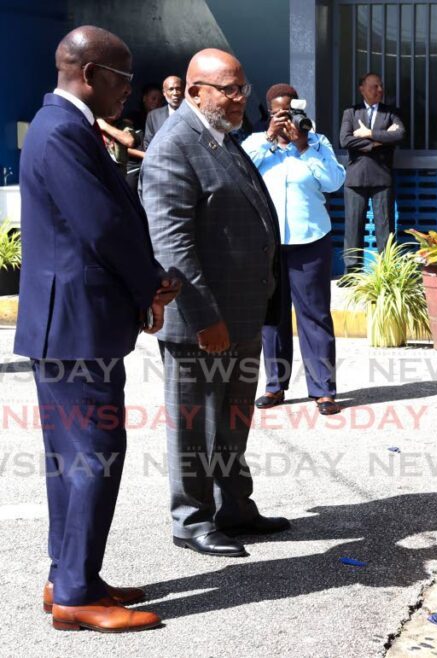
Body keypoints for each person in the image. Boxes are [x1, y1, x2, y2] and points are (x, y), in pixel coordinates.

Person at [16, 25, 176, 632]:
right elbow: (103, 226)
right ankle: (77, 593)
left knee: (71, 456)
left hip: (72, 321)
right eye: (123, 78)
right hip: (75, 323)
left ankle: (69, 575)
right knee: (93, 453)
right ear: (89, 75)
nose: (129, 92)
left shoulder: (66, 127)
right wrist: (150, 283)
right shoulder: (61, 131)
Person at [141, 48, 289, 558]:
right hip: (202, 323)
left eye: (242, 86)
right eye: (229, 88)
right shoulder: (173, 146)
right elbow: (172, 245)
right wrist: (205, 318)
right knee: (195, 425)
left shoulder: (220, 137)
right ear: (197, 90)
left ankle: (234, 506)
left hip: (242, 315)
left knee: (232, 421)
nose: (240, 96)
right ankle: (191, 519)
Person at [242, 83, 345, 417]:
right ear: (269, 114)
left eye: (290, 112)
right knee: (272, 316)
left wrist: (304, 147)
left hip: (310, 239)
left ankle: (323, 390)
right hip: (267, 242)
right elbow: (241, 174)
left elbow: (334, 182)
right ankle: (275, 385)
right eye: (278, 113)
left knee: (314, 313)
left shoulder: (317, 142)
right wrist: (270, 140)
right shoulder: (257, 143)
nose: (286, 119)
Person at [339, 72, 405, 271]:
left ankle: (387, 270)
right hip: (355, 177)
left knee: (385, 227)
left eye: (380, 86)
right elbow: (345, 140)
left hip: (381, 176)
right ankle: (352, 271)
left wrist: (369, 134)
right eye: (374, 86)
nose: (379, 90)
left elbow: (399, 134)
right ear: (362, 89)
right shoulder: (351, 112)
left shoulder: (390, 112)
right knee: (353, 226)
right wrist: (377, 143)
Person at [143, 75, 184, 149]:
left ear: (184, 91)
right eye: (171, 89)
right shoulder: (153, 116)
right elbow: (148, 144)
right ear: (164, 93)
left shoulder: (193, 114)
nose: (175, 93)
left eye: (178, 89)